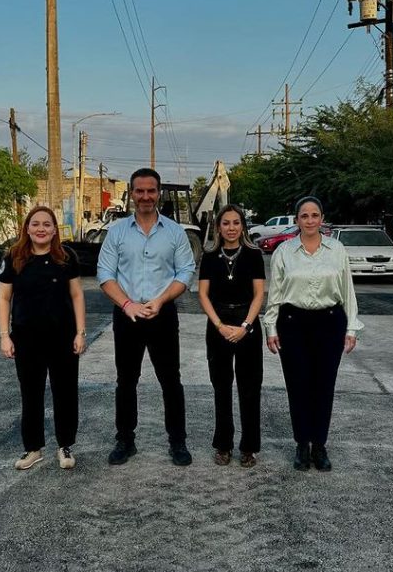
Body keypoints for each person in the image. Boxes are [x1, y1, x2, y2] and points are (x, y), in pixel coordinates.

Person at [97, 167, 196, 466]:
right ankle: (125, 440)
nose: (145, 197)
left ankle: (177, 442)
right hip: (127, 315)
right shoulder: (116, 232)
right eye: (139, 191)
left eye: (151, 191)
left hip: (162, 314)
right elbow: (105, 274)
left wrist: (161, 299)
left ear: (159, 193)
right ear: (131, 194)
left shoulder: (176, 232)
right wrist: (127, 304)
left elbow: (186, 272)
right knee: (126, 380)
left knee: (171, 381)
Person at [264, 196, 362, 471]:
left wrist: (351, 327)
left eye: (314, 215)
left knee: (323, 387)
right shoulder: (284, 251)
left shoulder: (337, 249)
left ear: (322, 218)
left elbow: (347, 291)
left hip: (329, 323)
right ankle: (301, 445)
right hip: (293, 323)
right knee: (298, 386)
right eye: (304, 216)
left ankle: (320, 446)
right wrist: (270, 327)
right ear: (297, 220)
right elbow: (277, 293)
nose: (309, 220)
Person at [0, 206, 87, 471]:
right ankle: (33, 448)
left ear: (54, 229)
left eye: (47, 224)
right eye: (35, 224)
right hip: (26, 338)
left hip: (63, 337)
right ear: (27, 228)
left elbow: (77, 295)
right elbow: (3, 298)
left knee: (66, 392)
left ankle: (65, 445)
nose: (41, 229)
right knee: (31, 393)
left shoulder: (66, 256)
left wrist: (80, 332)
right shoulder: (14, 257)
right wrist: (5, 336)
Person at [198, 204, 265, 468]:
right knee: (222, 387)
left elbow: (259, 293)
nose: (231, 228)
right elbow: (203, 294)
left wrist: (246, 326)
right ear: (218, 227)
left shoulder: (253, 255)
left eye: (236, 223)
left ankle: (249, 447)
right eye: (226, 223)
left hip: (247, 325)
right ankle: (223, 445)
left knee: (250, 388)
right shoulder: (210, 256)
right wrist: (219, 325)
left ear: (243, 226)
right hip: (218, 325)